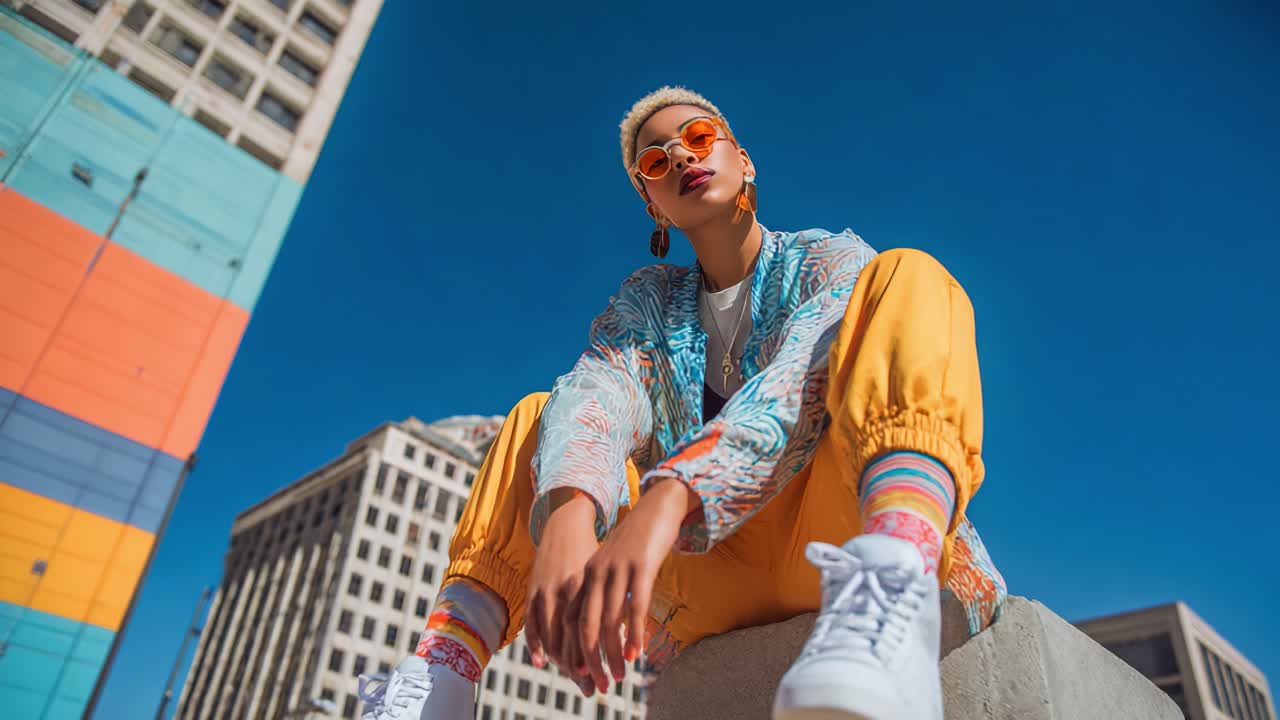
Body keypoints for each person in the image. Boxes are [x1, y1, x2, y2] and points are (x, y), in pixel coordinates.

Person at [359, 87, 1007, 720]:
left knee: (909, 275)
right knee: (538, 416)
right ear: (652, 203)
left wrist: (671, 496)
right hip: (713, 586)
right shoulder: (647, 305)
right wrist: (566, 515)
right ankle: (442, 675)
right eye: (657, 161)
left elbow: (800, 383)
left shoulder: (825, 259)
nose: (683, 160)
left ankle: (893, 587)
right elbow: (598, 393)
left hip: (837, 531)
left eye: (699, 139)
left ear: (743, 159)